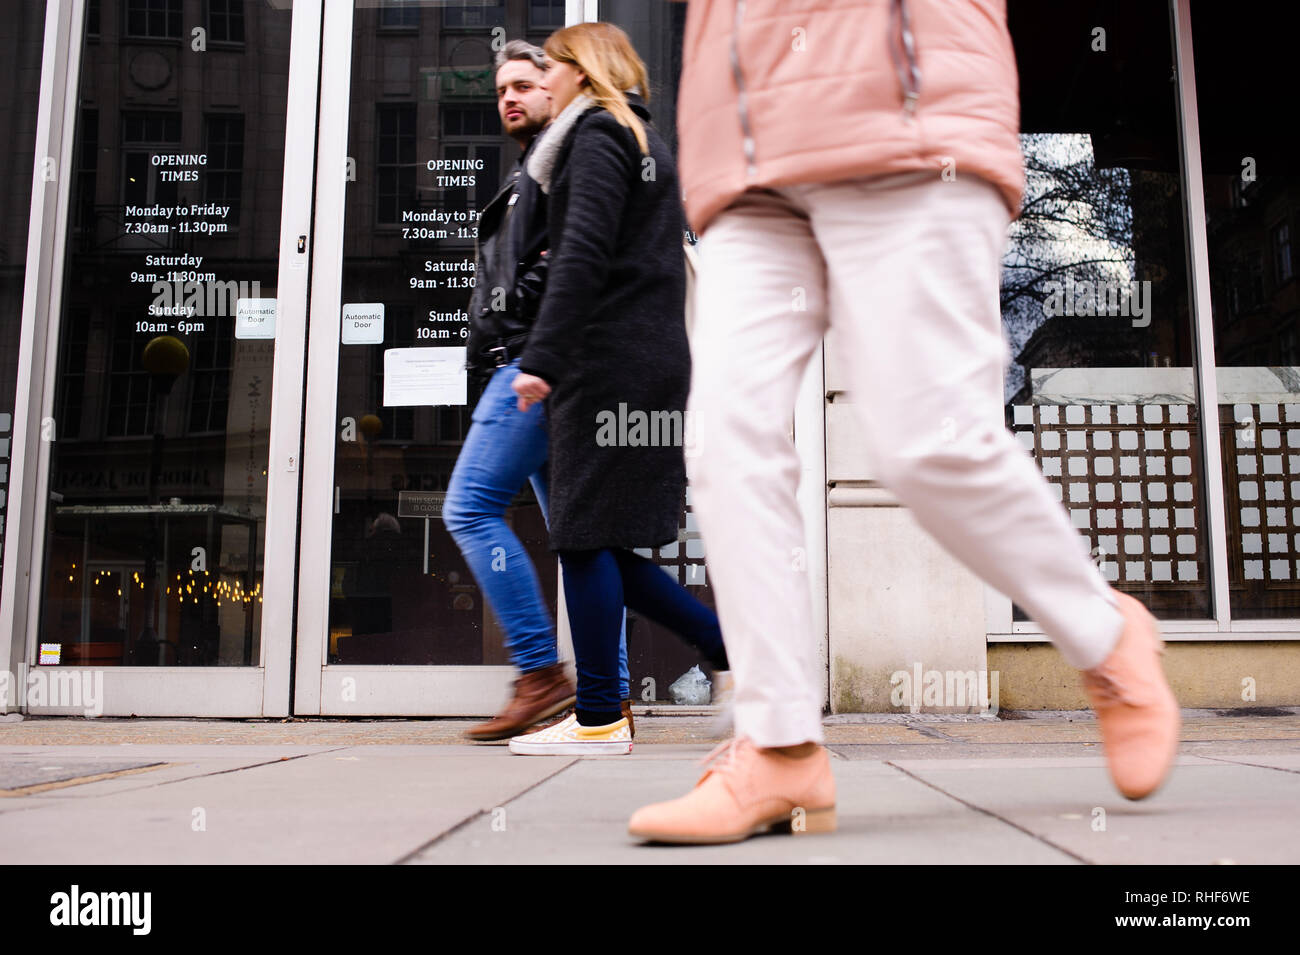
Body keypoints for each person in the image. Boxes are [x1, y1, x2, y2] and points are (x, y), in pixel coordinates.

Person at [628, 0, 1180, 843]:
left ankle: (1108, 638)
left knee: (929, 442)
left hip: (903, 106)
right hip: (745, 144)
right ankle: (778, 745)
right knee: (726, 434)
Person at [506, 22, 731, 755]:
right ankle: (725, 649)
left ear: (581, 70)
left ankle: (601, 714)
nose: (546, 80)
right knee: (594, 537)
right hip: (643, 361)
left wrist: (542, 355)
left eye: (554, 66)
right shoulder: (638, 138)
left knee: (581, 534)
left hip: (610, 363)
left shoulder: (598, 136)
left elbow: (582, 255)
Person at [443, 40, 636, 741]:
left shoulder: (563, 162)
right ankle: (607, 702)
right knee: (581, 534)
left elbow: (567, 261)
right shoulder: (534, 168)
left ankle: (539, 673)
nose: (511, 98)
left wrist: (519, 329)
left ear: (560, 88)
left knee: (469, 508)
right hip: (536, 359)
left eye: (526, 83)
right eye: (502, 90)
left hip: (532, 361)